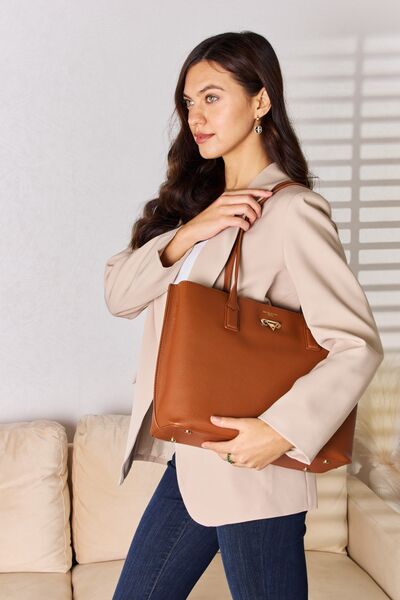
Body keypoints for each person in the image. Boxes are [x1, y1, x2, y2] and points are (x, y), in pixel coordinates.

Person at [105, 30, 384, 600]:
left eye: (212, 97)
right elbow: (119, 296)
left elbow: (357, 344)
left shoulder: (293, 211)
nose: (196, 117)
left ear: (261, 101)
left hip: (257, 471)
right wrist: (191, 231)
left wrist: (279, 433)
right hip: (195, 460)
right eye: (189, 102)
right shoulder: (193, 211)